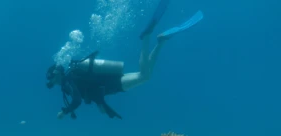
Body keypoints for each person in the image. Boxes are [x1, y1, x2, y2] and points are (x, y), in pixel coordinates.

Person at [46, 0, 203, 120]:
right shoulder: (72, 75)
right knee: (145, 75)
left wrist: (65, 111)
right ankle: (161, 41)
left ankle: (148, 38)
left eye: (51, 78)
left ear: (56, 73)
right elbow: (90, 90)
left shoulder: (69, 79)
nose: (51, 82)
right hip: (111, 81)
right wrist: (100, 104)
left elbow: (78, 100)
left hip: (113, 85)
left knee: (144, 76)